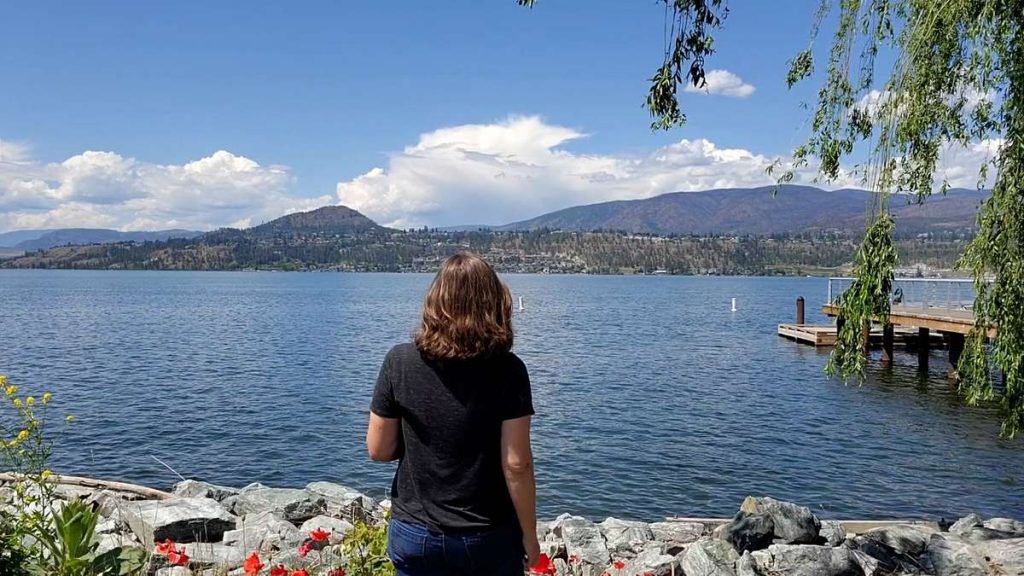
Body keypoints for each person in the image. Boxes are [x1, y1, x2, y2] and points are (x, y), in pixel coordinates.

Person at [366, 252, 539, 576]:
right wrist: (529, 536)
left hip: (415, 533)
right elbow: (517, 465)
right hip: (487, 536)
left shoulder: (399, 361)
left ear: (435, 302)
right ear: (495, 303)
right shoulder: (509, 371)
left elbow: (378, 450)